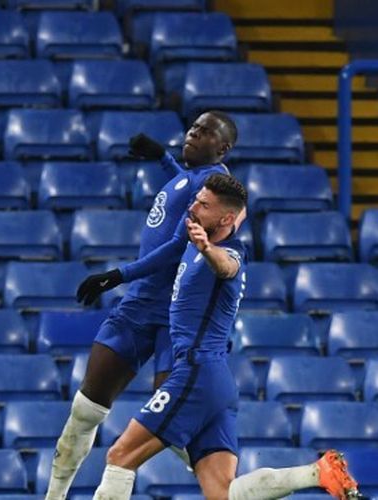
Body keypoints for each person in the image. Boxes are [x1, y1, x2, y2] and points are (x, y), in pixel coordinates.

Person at [92, 174, 360, 500]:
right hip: (215, 381)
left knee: (119, 457)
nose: (192, 206)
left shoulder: (228, 252)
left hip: (195, 373)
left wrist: (206, 247)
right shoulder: (196, 233)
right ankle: (318, 473)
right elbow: (230, 207)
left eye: (203, 204)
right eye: (196, 199)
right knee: (222, 493)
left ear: (225, 219)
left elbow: (226, 266)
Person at [45, 111, 237, 500]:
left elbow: (180, 244)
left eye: (204, 132)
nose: (193, 134)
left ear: (223, 147)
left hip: (174, 319)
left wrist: (119, 274)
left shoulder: (217, 189)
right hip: (137, 309)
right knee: (85, 411)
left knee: (184, 444)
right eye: (193, 128)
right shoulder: (195, 179)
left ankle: (251, 486)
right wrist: (163, 159)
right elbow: (186, 188)